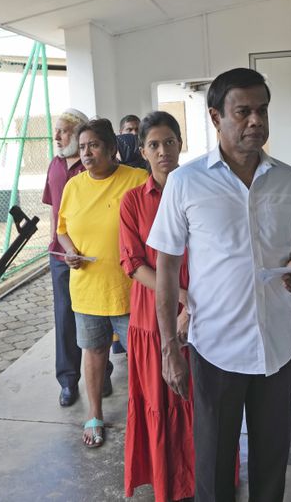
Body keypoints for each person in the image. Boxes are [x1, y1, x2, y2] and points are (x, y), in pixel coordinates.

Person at [148, 68, 291, 502]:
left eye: (262, 110)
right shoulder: (187, 183)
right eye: (243, 112)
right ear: (216, 117)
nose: (255, 121)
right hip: (216, 350)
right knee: (215, 466)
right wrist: (170, 347)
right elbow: (165, 268)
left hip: (277, 348)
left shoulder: (288, 180)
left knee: (272, 462)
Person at [56, 118, 147, 448]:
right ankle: (94, 414)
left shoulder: (136, 179)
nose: (87, 152)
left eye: (94, 145)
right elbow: (62, 229)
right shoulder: (73, 186)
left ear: (111, 149)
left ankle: (145, 415)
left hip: (130, 289)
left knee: (141, 357)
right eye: (82, 147)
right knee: (93, 353)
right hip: (87, 287)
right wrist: (70, 253)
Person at [120, 112, 194, 501]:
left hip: (203, 315)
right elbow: (133, 264)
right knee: (157, 403)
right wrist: (181, 298)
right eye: (153, 144)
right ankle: (169, 483)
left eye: (169, 141)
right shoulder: (133, 201)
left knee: (200, 405)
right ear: (143, 151)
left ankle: (205, 478)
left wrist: (194, 306)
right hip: (152, 320)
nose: (162, 151)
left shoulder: (200, 190)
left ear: (180, 143)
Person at [43, 108, 114, 408]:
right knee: (65, 318)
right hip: (62, 254)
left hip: (98, 260)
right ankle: (68, 381)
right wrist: (56, 244)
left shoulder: (96, 166)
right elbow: (53, 209)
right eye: (56, 131)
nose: (57, 137)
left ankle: (102, 374)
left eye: (63, 131)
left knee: (99, 320)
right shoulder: (55, 166)